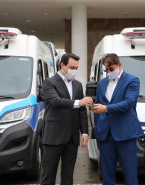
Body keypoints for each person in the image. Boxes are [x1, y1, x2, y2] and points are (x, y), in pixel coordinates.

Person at [40, 53, 93, 185]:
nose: (74, 71)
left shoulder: (78, 85)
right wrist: (78, 102)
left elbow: (81, 111)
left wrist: (85, 132)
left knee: (68, 176)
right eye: (71, 67)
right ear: (62, 65)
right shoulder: (49, 83)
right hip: (54, 136)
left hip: (72, 138)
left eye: (76, 68)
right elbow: (55, 101)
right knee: (48, 176)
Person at [92, 53, 144, 185]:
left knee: (130, 174)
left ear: (120, 65)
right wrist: (98, 126)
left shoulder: (132, 80)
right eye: (106, 70)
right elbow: (97, 107)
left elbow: (129, 103)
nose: (109, 72)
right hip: (105, 134)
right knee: (107, 175)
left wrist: (106, 108)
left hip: (125, 134)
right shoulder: (101, 84)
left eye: (112, 69)